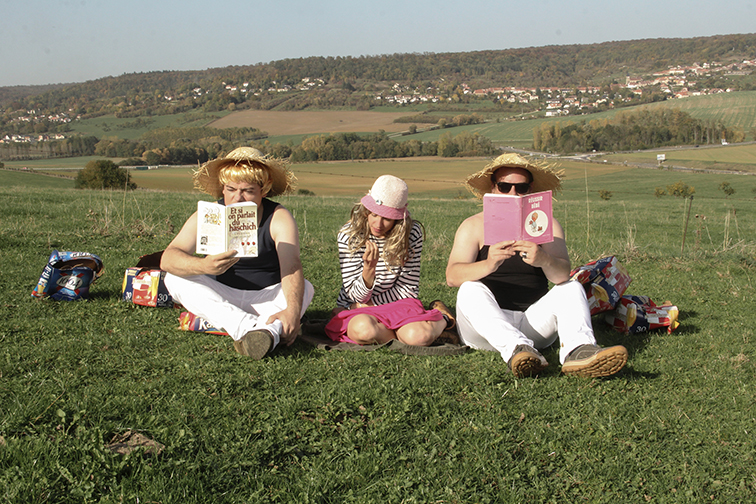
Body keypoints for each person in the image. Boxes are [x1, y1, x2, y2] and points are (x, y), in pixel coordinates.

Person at [445, 153, 627, 378]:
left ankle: (579, 350)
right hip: (485, 327)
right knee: (469, 289)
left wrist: (544, 259)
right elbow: (452, 276)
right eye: (505, 186)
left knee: (571, 287)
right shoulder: (472, 225)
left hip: (532, 322)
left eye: (521, 188)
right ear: (493, 188)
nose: (513, 193)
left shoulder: (547, 225)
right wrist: (489, 263)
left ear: (530, 191)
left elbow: (561, 275)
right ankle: (516, 349)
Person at [161, 147, 314, 360]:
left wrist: (292, 310)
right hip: (221, 294)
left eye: (248, 191)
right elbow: (168, 257)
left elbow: (291, 266)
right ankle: (255, 329)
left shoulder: (278, 216)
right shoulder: (210, 213)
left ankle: (260, 330)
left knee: (305, 287)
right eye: (231, 189)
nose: (238, 198)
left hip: (267, 296)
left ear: (264, 190)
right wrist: (203, 266)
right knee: (174, 278)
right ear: (222, 189)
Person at [324, 175, 456, 346]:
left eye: (387, 218)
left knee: (418, 336)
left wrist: (369, 305)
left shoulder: (411, 233)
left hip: (394, 304)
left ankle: (443, 317)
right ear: (366, 211)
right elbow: (353, 294)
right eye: (374, 214)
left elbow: (407, 289)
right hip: (356, 305)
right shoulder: (349, 235)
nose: (378, 223)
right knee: (363, 330)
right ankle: (406, 335)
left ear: (398, 218)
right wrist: (368, 270)